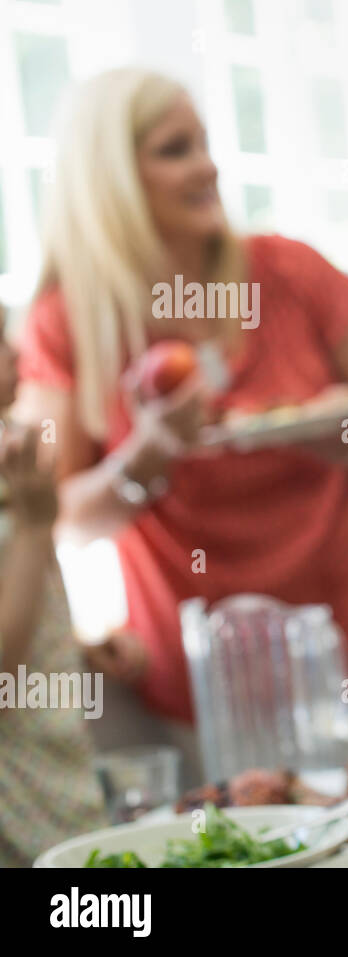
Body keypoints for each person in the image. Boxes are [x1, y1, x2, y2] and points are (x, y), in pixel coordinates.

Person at [14, 69, 348, 727]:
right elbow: (61, 519)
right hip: (205, 676)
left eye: (207, 144)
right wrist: (146, 457)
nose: (208, 167)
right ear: (112, 177)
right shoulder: (65, 325)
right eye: (177, 149)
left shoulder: (291, 271)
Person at [0, 327, 107, 866]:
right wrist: (36, 526)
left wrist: (74, 649)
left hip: (52, 754)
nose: (16, 350)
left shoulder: (12, 458)